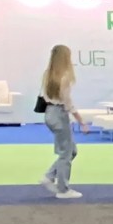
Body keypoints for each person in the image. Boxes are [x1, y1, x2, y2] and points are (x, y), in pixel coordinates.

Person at [37, 44, 90, 199]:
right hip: (59, 114)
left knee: (70, 151)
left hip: (50, 113)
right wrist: (81, 122)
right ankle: (63, 189)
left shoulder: (48, 75)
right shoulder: (65, 77)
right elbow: (68, 103)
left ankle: (49, 176)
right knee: (66, 154)